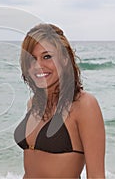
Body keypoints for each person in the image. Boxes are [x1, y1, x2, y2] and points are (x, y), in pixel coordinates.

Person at [14, 23, 105, 178]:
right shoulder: (33, 103)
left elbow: (96, 176)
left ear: (64, 59)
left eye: (47, 57)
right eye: (32, 59)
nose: (38, 65)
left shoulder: (84, 105)